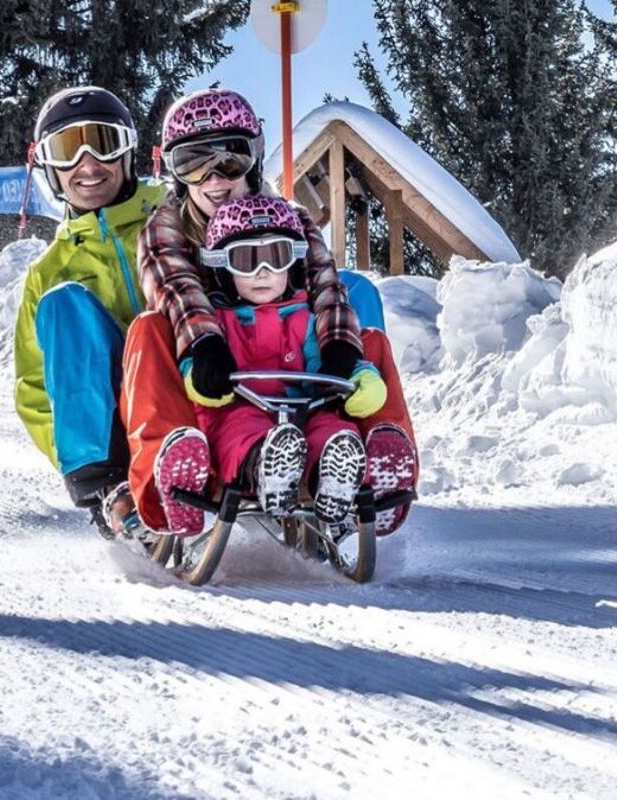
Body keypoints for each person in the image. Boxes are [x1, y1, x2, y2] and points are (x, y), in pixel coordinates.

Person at [123, 87, 418, 536]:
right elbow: (177, 289)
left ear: (255, 159)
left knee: (367, 335)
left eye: (230, 161)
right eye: (193, 165)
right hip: (213, 374)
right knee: (147, 330)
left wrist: (339, 346)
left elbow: (324, 283)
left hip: (291, 363)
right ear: (176, 173)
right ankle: (173, 471)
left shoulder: (291, 219)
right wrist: (205, 343)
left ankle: (378, 473)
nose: (214, 180)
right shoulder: (167, 226)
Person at [13, 86, 166, 538]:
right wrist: (72, 451)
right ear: (49, 167)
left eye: (101, 141)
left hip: (194, 387)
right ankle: (107, 484)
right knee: (64, 304)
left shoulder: (172, 216)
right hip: (117, 424)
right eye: (66, 149)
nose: (86, 163)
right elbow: (37, 389)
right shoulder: (50, 272)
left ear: (127, 150)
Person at [182, 195, 387, 524]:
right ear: (222, 267)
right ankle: (265, 468)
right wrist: (200, 375)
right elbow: (193, 364)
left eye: (275, 257)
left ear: (292, 264)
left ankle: (333, 475)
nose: (262, 272)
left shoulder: (304, 319)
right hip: (241, 408)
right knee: (239, 433)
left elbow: (324, 362)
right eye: (247, 260)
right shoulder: (218, 321)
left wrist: (357, 376)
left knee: (331, 427)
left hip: (304, 409)